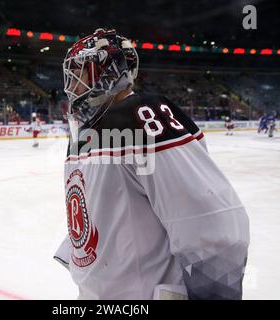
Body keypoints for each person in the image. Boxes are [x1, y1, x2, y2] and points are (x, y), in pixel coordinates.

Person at [54, 28, 249, 300]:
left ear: (107, 71)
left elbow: (210, 225)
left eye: (79, 74)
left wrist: (213, 295)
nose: (71, 86)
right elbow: (98, 212)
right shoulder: (83, 135)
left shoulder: (143, 117)